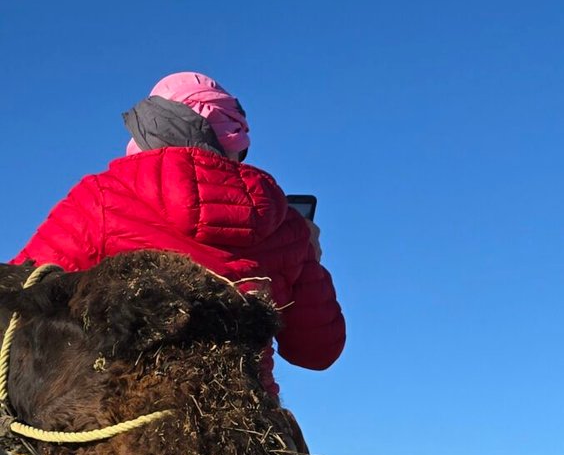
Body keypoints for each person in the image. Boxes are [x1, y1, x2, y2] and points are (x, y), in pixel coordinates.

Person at [11, 71, 345, 392]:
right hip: (247, 422)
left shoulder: (101, 198)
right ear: (235, 140)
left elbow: (18, 297)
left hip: (117, 419)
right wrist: (312, 259)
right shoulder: (287, 225)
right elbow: (317, 352)